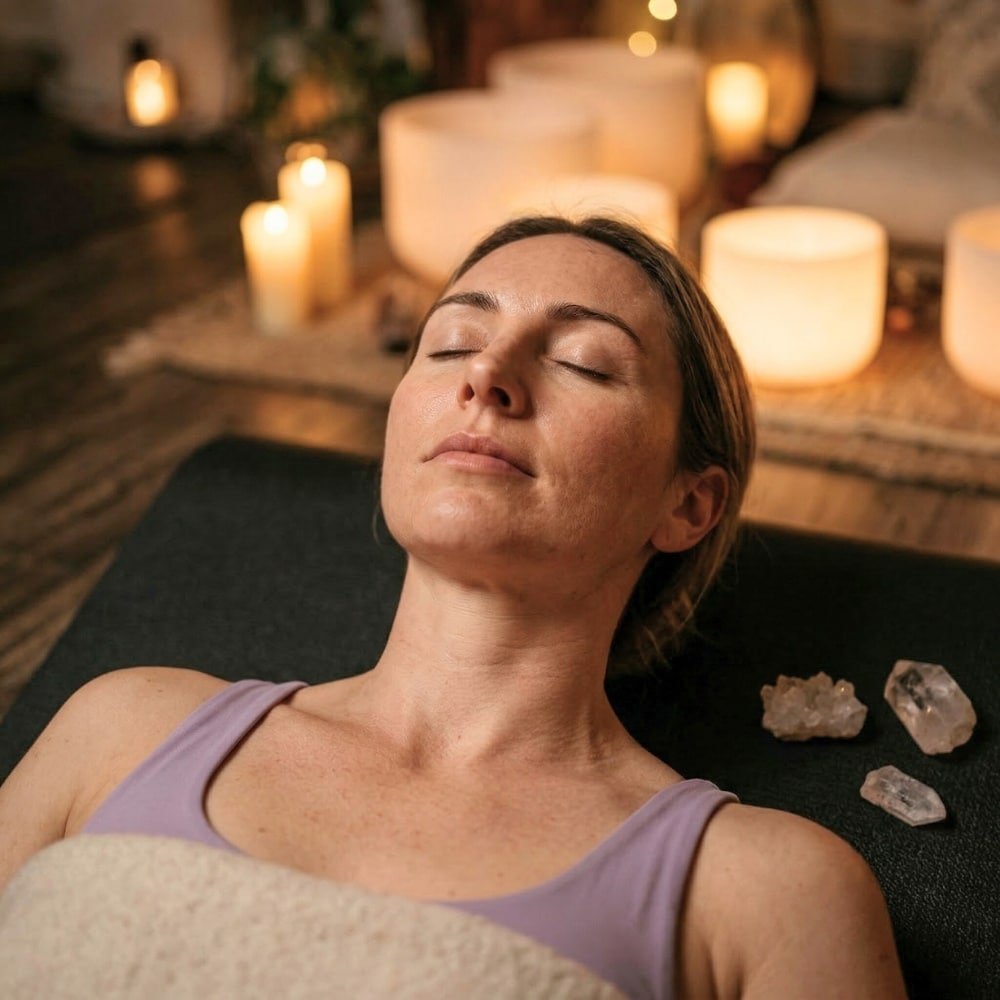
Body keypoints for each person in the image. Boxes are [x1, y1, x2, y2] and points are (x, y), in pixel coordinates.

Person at [0, 216, 906, 999]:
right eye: (449, 344)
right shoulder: (122, 727)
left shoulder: (765, 892)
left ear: (687, 505)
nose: (488, 376)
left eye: (585, 363)